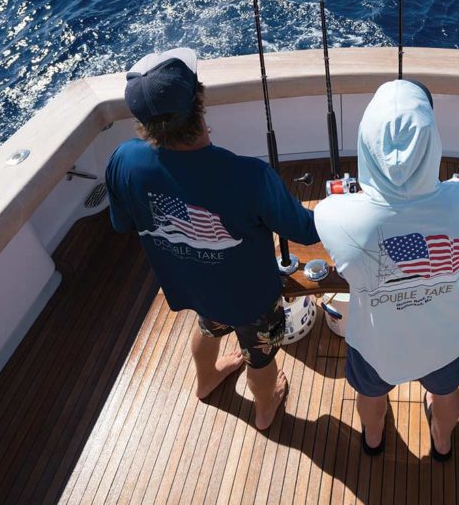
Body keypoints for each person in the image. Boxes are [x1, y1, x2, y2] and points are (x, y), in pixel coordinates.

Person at [105, 47, 320, 429]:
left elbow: (122, 224)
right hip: (251, 297)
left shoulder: (123, 160)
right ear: (198, 104)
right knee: (261, 356)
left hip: (193, 288)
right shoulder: (249, 176)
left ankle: (206, 381)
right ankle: (267, 406)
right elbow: (304, 229)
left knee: (208, 327)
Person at [314, 80, 459, 460]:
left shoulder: (333, 215)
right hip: (444, 339)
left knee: (370, 394)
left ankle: (373, 439)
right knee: (445, 393)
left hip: (377, 345)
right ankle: (442, 443)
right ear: (432, 142)